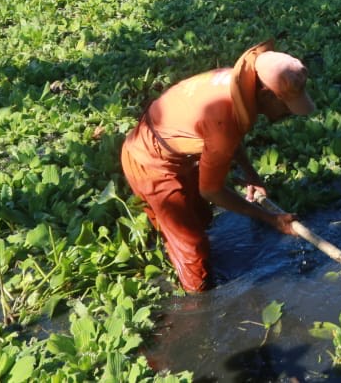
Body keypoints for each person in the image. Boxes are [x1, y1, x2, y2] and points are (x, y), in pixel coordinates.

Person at [120, 40, 316, 292]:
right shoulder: (223, 117)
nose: (288, 113)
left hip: (174, 150)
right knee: (193, 251)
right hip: (149, 163)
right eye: (286, 106)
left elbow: (230, 133)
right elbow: (211, 190)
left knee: (201, 217)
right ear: (267, 94)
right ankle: (195, 300)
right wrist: (270, 219)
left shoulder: (238, 84)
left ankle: (173, 245)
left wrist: (251, 175)